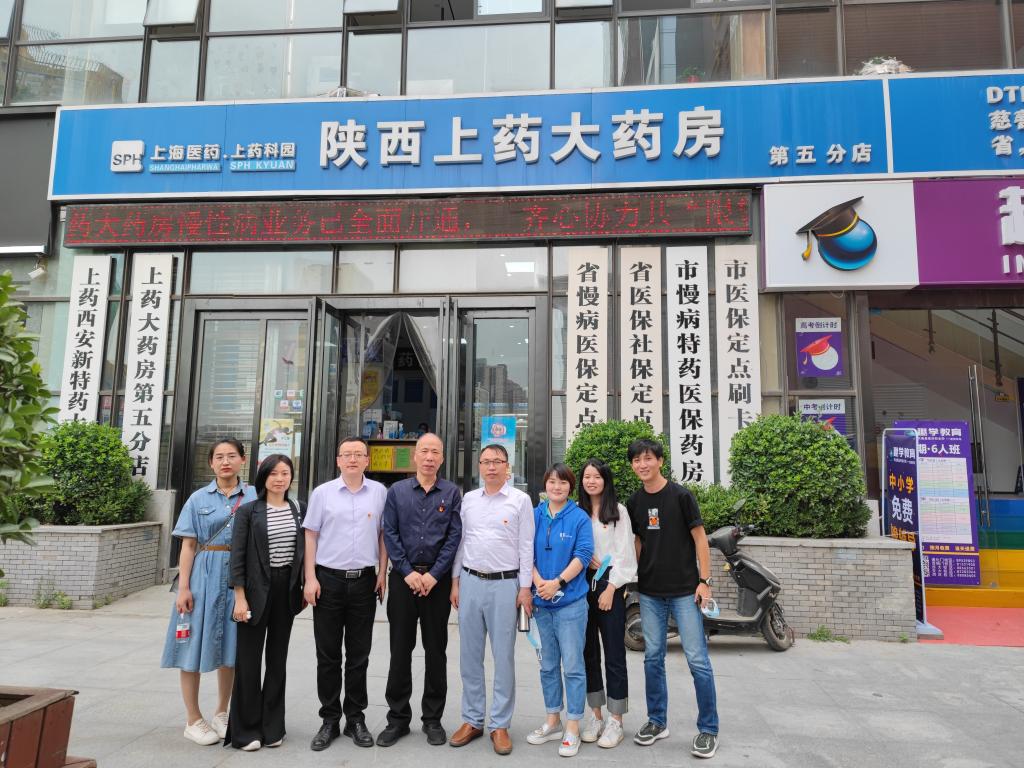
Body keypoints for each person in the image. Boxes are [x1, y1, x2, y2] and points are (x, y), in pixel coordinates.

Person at [626, 438, 719, 759]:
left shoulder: (681, 496)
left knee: (697, 660)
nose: (642, 464)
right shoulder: (634, 502)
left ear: (660, 461)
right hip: (650, 592)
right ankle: (657, 721)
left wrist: (705, 582)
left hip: (684, 592)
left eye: (648, 458)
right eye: (637, 460)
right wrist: (631, 576)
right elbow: (638, 542)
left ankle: (708, 729)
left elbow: (700, 540)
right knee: (653, 658)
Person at [161, 439, 257, 746]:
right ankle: (193, 719)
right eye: (219, 457)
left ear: (242, 460)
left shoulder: (254, 496)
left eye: (232, 456)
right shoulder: (197, 498)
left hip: (239, 579)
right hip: (203, 577)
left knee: (231, 647)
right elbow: (188, 546)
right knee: (191, 645)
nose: (225, 461)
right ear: (211, 463)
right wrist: (184, 588)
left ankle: (221, 712)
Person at [449, 444, 534, 756]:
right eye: (486, 462)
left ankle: (500, 724)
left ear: (507, 466)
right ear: (479, 466)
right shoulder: (469, 500)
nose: (491, 467)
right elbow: (461, 542)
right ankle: (472, 719)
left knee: (503, 657)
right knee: (469, 656)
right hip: (470, 582)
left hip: (505, 585)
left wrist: (525, 588)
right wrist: (455, 581)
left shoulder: (520, 501)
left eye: (497, 461)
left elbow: (526, 546)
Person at [303, 437, 388, 752]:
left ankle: (355, 718)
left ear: (367, 460)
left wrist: (382, 573)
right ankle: (329, 719)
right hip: (328, 581)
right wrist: (310, 578)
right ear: (338, 460)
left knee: (358, 655)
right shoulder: (322, 493)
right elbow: (310, 536)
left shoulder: (379, 492)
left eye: (358, 454)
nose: (352, 459)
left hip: (364, 582)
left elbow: (384, 535)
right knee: (327, 655)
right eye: (347, 454)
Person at [379, 433, 463, 747]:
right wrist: (408, 572)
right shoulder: (397, 492)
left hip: (436, 585)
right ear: (415, 456)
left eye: (435, 452)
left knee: (436, 651)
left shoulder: (451, 493)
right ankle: (397, 719)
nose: (429, 457)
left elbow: (454, 537)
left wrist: (435, 575)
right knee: (400, 650)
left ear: (442, 458)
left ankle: (432, 719)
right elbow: (390, 533)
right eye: (424, 451)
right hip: (404, 581)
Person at [226, 454, 305, 751]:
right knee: (248, 661)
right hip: (254, 590)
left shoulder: (299, 509)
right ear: (264, 477)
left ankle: (273, 727)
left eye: (285, 473)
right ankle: (246, 731)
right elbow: (237, 557)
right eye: (274, 473)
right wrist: (239, 597)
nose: (280, 479)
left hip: (286, 591)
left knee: (277, 660)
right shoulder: (249, 511)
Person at [527, 463, 594, 758]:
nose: (557, 487)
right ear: (545, 485)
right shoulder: (535, 514)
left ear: (570, 487)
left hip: (571, 604)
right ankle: (553, 720)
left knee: (574, 666)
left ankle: (573, 726)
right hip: (541, 604)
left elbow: (584, 554)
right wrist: (538, 582)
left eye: (563, 482)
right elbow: (524, 551)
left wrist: (557, 582)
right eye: (552, 481)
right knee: (548, 666)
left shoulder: (579, 517)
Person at [578, 459, 637, 749]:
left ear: (606, 480)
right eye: (587, 476)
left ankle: (616, 720)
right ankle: (596, 715)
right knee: (588, 652)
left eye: (597, 476)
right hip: (581, 583)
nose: (591, 481)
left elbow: (626, 555)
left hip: (610, 584)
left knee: (614, 653)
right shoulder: (577, 512)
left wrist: (611, 587)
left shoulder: (618, 512)